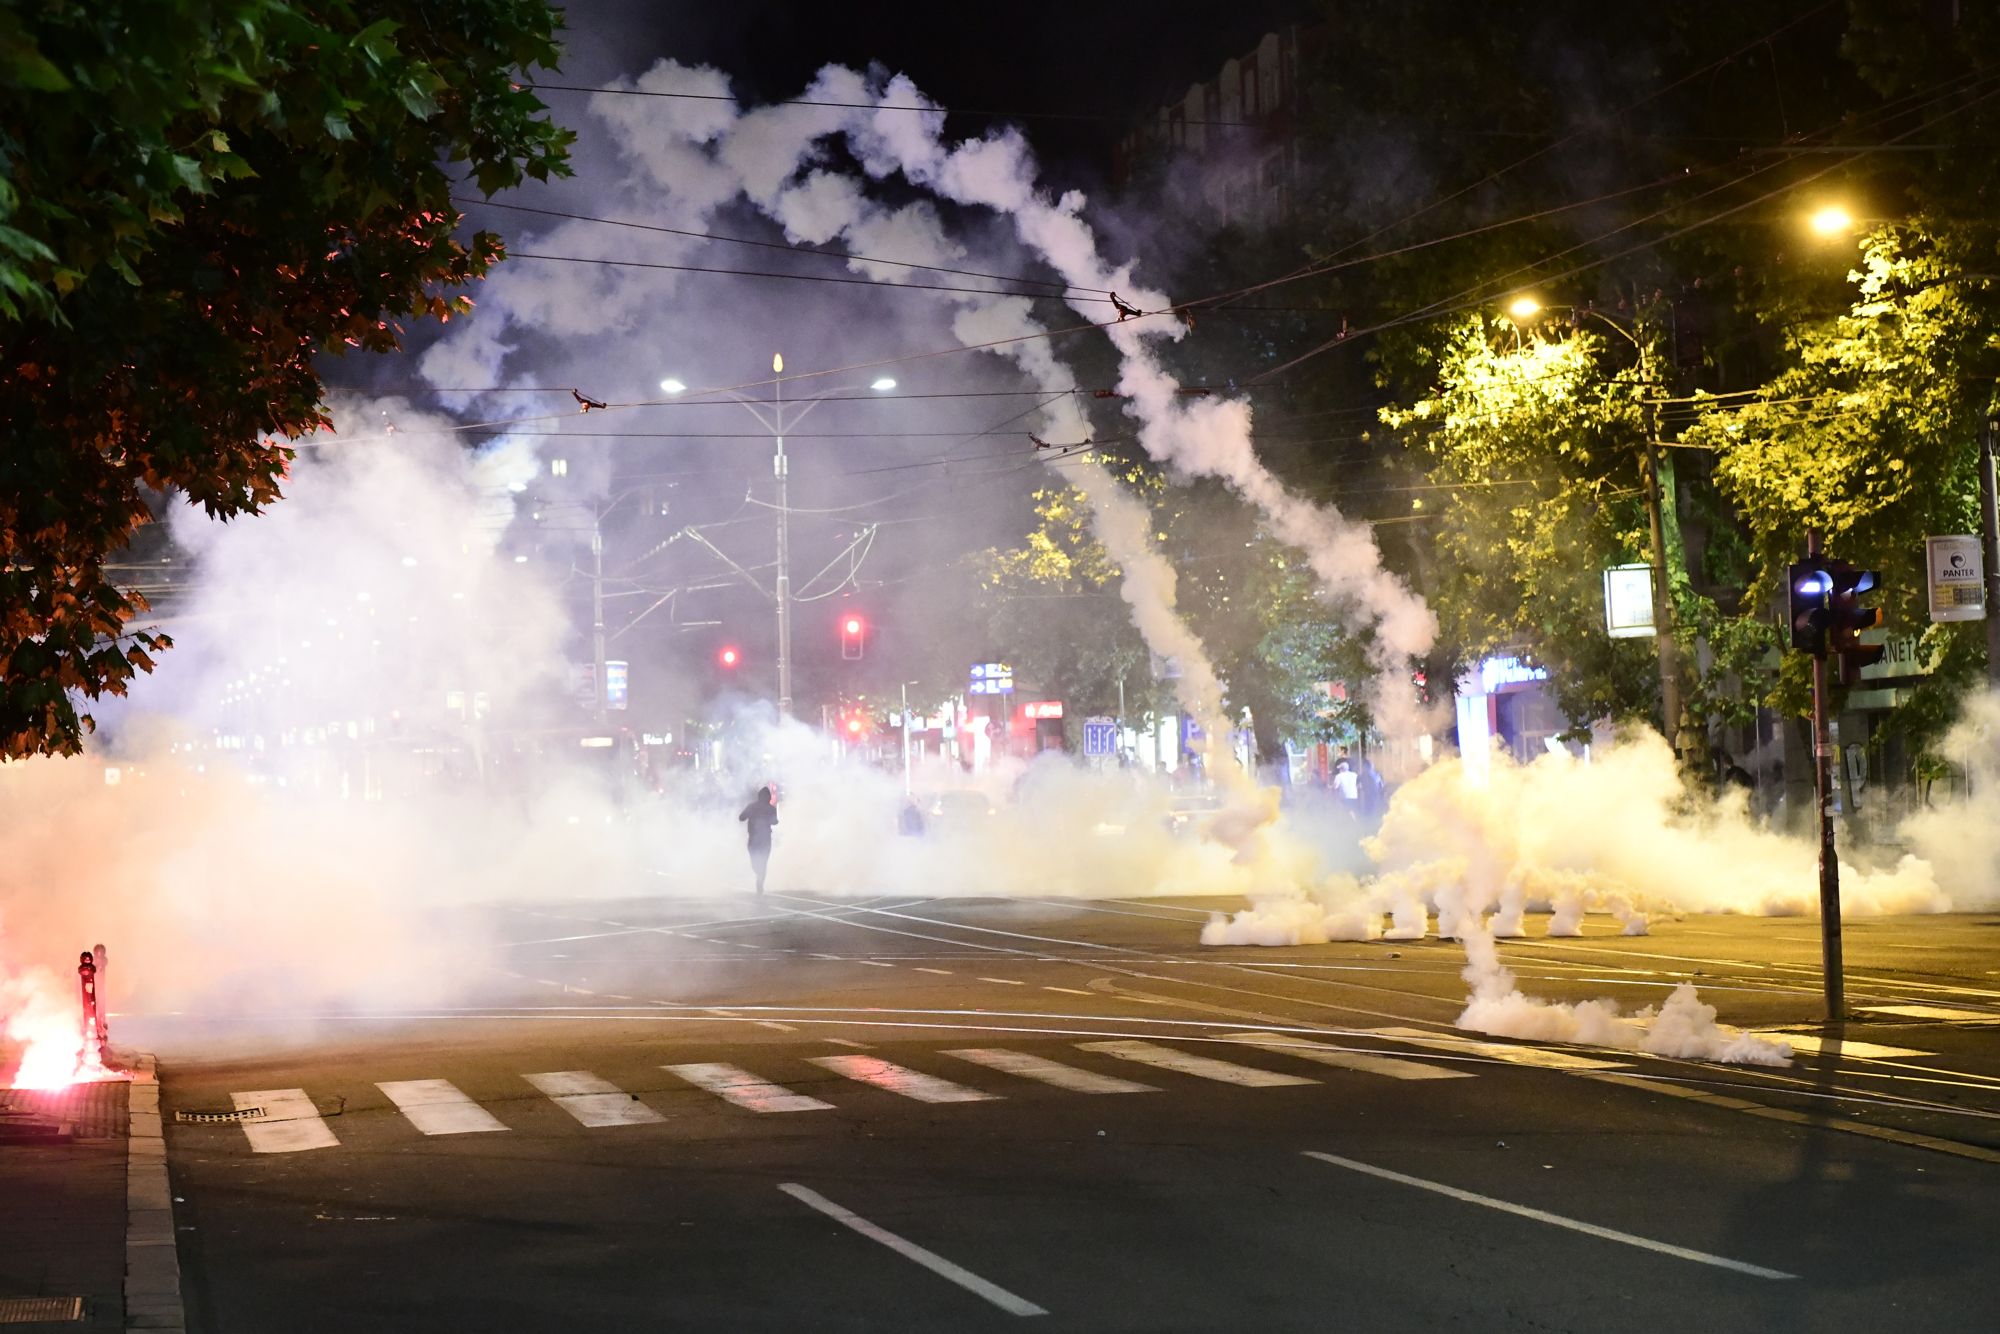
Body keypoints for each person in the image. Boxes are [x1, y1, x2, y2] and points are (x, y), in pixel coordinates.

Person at [738, 785, 778, 894]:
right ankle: (760, 877)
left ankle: (760, 882)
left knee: (761, 862)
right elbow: (741, 817)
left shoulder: (768, 808)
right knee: (759, 863)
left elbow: (774, 821)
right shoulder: (756, 807)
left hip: (762, 839)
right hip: (757, 839)